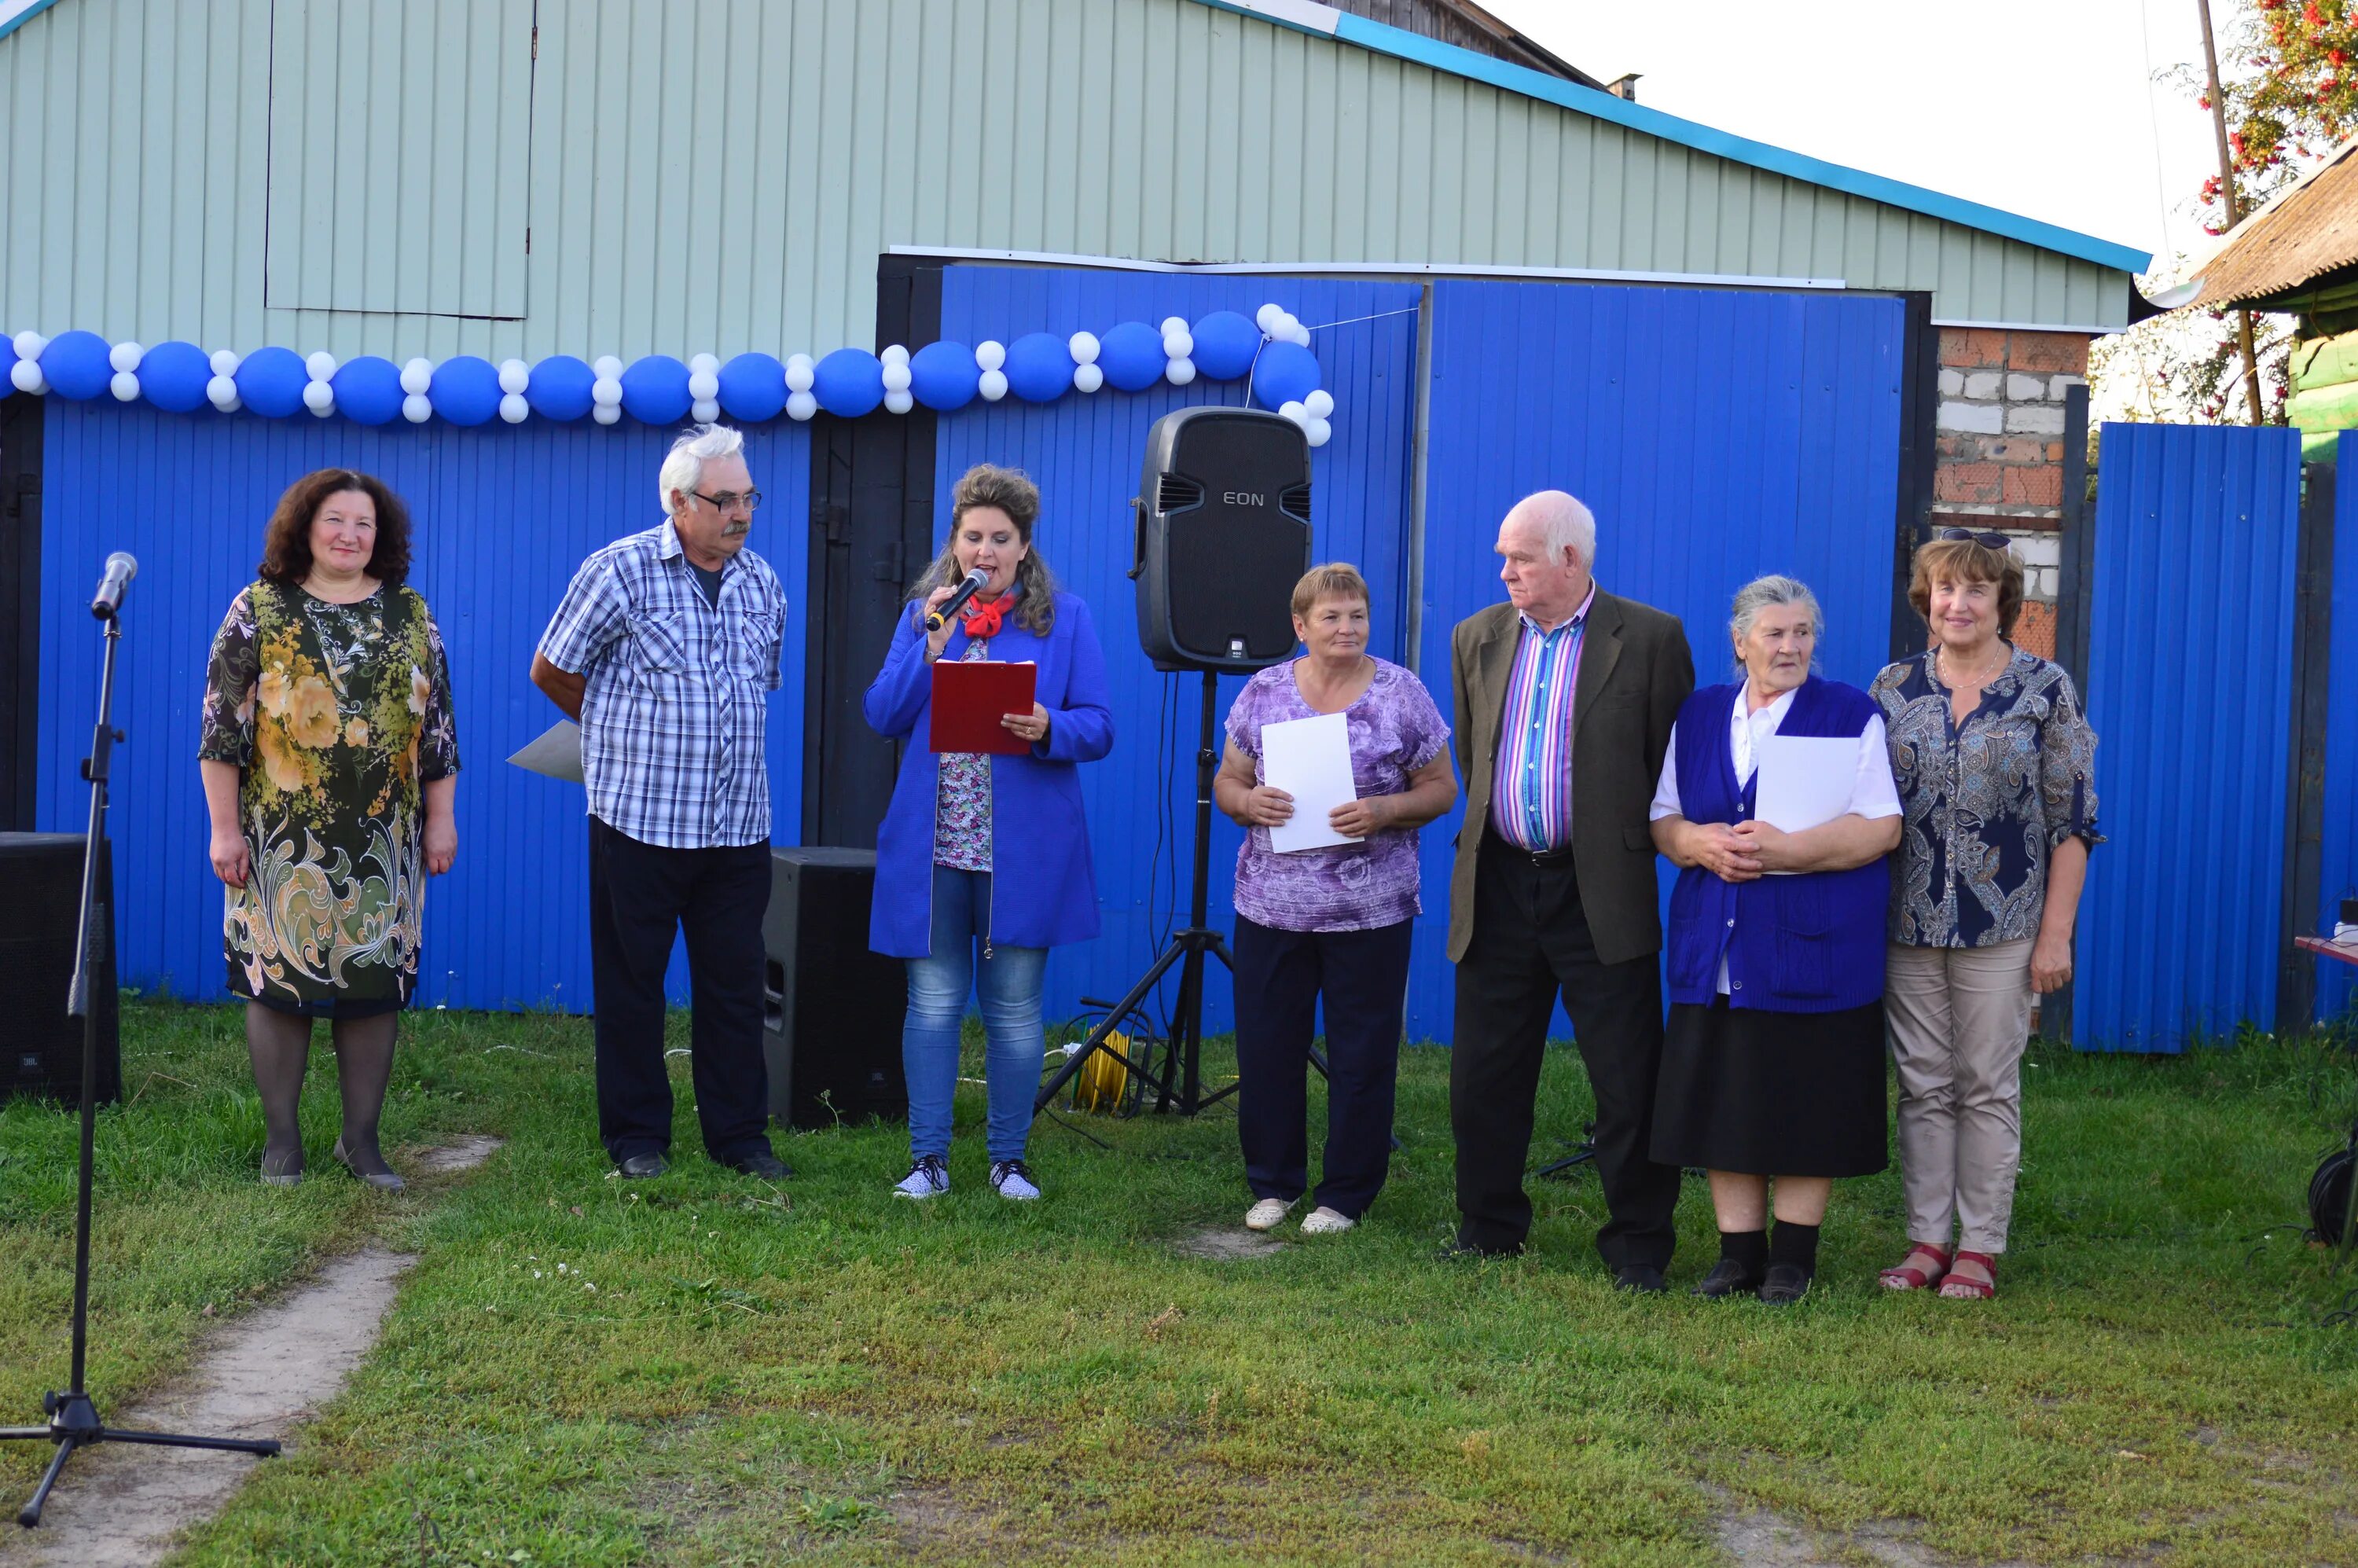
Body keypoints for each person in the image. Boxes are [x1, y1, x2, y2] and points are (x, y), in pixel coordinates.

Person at [1444, 490, 1695, 1289]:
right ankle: (1487, 1229)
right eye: (1504, 557)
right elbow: (1475, 760)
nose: (1505, 570)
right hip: (1500, 882)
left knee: (1627, 1078)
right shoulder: (1475, 637)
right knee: (1484, 1075)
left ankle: (1638, 1246)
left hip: (1602, 888)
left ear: (1570, 560)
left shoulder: (1650, 639)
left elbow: (1671, 767)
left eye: (1519, 556)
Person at [531, 424, 790, 1182]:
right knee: (632, 986)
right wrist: (618, 733)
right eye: (725, 499)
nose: (741, 513)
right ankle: (638, 1138)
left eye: (749, 497)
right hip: (638, 821)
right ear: (679, 501)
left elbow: (754, 687)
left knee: (734, 988)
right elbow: (552, 669)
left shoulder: (763, 582)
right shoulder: (619, 571)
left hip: (737, 826)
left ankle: (740, 1138)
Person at [199, 469, 459, 1192]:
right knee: (277, 980)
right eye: (335, 520)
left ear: (383, 536)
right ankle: (282, 1143)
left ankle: (361, 1142)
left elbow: (437, 729)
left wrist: (442, 818)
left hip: (385, 840)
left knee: (373, 984)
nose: (350, 534)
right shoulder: (258, 610)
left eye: (364, 523)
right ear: (304, 526)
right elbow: (221, 731)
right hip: (279, 841)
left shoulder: (412, 613)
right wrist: (225, 832)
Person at [1648, 576, 1901, 1302]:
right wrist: (1695, 841)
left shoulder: (1849, 712)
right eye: (1775, 634)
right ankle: (1736, 1255)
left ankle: (1792, 1259)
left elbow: (1880, 824)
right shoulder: (1697, 716)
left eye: (1802, 634)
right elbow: (1663, 817)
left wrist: (1784, 852)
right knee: (1723, 1097)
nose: (1790, 647)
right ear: (1740, 642)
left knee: (1804, 1096)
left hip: (1812, 943)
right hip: (1715, 948)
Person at [865, 465, 1113, 1203]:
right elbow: (882, 713)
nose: (986, 551)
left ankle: (1008, 1158)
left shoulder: (1066, 619)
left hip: (1021, 853)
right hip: (935, 844)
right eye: (973, 536)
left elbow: (1098, 726)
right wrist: (929, 646)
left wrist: (1048, 727)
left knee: (1011, 1007)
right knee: (934, 1002)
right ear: (954, 543)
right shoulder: (924, 617)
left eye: (1000, 539)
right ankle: (928, 1159)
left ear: (1025, 549)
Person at [1871, 529, 2099, 1302]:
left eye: (1975, 590)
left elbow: (2074, 822)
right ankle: (1928, 1239)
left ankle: (1982, 1245)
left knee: (1987, 1084)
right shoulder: (1892, 688)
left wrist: (2055, 935)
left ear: (2004, 601)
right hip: (1906, 923)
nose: (1957, 603)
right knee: (1924, 1084)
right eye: (1944, 589)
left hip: (2004, 925)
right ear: (1925, 600)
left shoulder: (2044, 688)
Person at [1214, 564, 1457, 1236]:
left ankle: (1345, 1195)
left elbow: (1441, 787)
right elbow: (1229, 780)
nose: (1347, 627)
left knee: (1362, 1054)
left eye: (1357, 615)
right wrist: (1247, 801)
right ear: (1301, 627)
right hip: (1271, 908)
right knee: (1268, 1048)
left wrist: (1385, 809)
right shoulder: (1262, 692)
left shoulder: (1402, 694)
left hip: (1370, 913)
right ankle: (1273, 1184)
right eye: (1332, 617)